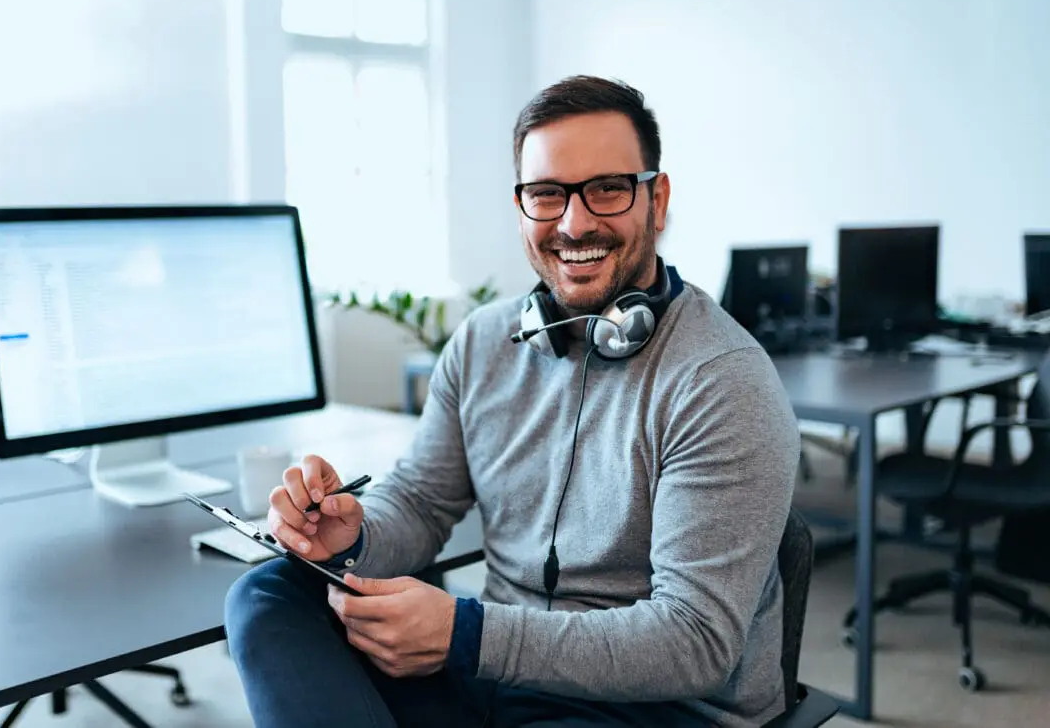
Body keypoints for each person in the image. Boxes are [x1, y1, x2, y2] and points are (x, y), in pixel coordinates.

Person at [224, 75, 800, 727]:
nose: (574, 223)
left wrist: (467, 634)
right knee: (268, 597)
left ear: (656, 200)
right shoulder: (483, 342)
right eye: (547, 194)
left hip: (652, 707)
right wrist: (355, 534)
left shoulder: (720, 379)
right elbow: (420, 500)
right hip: (494, 672)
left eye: (607, 189)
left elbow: (695, 642)